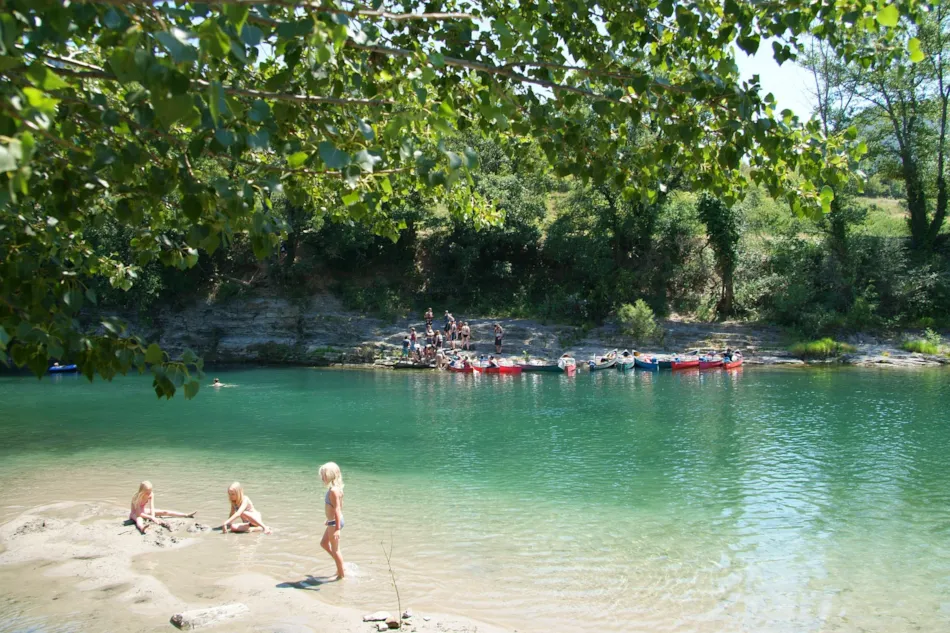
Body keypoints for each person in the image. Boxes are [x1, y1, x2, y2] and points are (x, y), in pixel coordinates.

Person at [129, 481, 196, 534]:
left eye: (150, 492)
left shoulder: (151, 494)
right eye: (147, 493)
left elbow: (151, 507)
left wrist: (153, 517)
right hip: (135, 514)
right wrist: (151, 517)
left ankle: (185, 515)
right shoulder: (137, 497)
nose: (149, 494)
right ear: (142, 491)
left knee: (164, 512)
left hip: (144, 511)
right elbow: (139, 514)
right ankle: (142, 528)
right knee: (139, 519)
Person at [319, 462, 346, 579]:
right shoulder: (336, 489)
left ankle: (341, 575)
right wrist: (328, 519)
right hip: (333, 521)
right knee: (324, 543)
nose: (322, 478)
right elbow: (337, 506)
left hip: (335, 523)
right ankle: (341, 566)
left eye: (324, 475)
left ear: (331, 475)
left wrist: (337, 529)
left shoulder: (334, 491)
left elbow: (338, 508)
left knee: (335, 550)